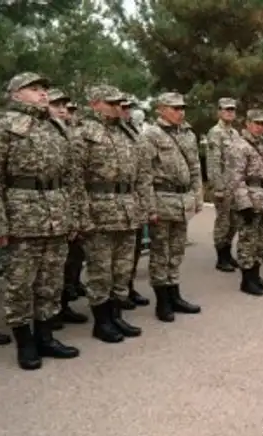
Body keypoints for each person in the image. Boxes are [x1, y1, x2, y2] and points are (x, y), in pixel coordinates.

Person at [0, 72, 81, 369]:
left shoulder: (56, 127)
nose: (43, 93)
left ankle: (46, 338)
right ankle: (25, 343)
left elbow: (71, 176)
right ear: (15, 94)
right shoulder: (5, 126)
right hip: (22, 214)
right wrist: (0, 223)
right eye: (34, 89)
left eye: (44, 88)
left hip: (56, 214)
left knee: (51, 280)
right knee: (20, 284)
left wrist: (74, 215)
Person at [74, 84, 154, 343]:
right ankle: (102, 322)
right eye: (111, 103)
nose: (118, 108)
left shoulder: (128, 133)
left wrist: (144, 207)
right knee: (101, 271)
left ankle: (116, 315)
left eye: (120, 103)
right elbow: (75, 178)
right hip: (99, 211)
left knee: (122, 270)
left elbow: (142, 174)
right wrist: (82, 216)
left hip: (127, 209)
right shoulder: (84, 132)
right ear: (95, 103)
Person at [141, 92, 203, 322]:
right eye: (175, 108)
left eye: (182, 108)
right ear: (161, 109)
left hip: (182, 200)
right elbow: (145, 173)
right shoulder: (151, 135)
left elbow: (196, 168)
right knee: (160, 253)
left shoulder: (188, 134)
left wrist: (197, 197)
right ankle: (162, 301)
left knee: (176, 251)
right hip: (162, 198)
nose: (180, 112)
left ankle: (175, 294)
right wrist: (149, 207)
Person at [227, 110, 263, 296]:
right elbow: (236, 178)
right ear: (247, 123)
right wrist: (244, 205)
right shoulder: (239, 147)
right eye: (256, 123)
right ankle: (247, 280)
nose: (260, 127)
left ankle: (256, 276)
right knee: (248, 241)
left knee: (262, 240)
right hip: (251, 199)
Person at [47, 88, 90, 329]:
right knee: (49, 266)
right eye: (56, 105)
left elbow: (78, 176)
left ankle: (62, 306)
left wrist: (79, 212)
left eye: (65, 105)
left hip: (71, 205)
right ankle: (46, 314)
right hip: (48, 208)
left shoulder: (72, 133)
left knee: (71, 260)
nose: (63, 109)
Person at [119, 94, 151, 309]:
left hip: (135, 199)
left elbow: (143, 169)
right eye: (122, 107)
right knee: (118, 255)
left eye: (129, 107)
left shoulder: (133, 131)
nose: (127, 110)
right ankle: (118, 294)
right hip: (114, 201)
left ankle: (128, 287)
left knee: (135, 248)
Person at [206, 98, 241, 273]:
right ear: (219, 112)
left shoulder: (235, 134)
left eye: (232, 110)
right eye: (226, 110)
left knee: (234, 223)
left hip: (236, 186)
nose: (230, 113)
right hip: (223, 187)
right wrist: (218, 187)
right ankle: (221, 257)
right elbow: (213, 163)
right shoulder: (215, 132)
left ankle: (228, 254)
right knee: (223, 222)